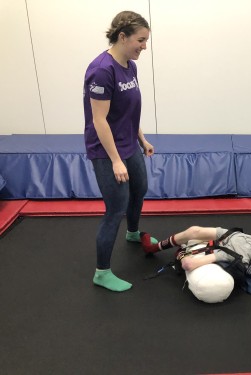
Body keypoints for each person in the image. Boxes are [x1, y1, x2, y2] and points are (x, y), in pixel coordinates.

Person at [83, 11, 157, 292]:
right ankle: (101, 273)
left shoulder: (130, 65)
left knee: (140, 188)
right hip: (105, 150)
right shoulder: (102, 70)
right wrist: (115, 160)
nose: (144, 47)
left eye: (146, 41)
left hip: (128, 142)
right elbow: (99, 120)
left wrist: (141, 139)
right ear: (123, 37)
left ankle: (133, 232)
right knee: (115, 208)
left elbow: (128, 112)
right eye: (141, 40)